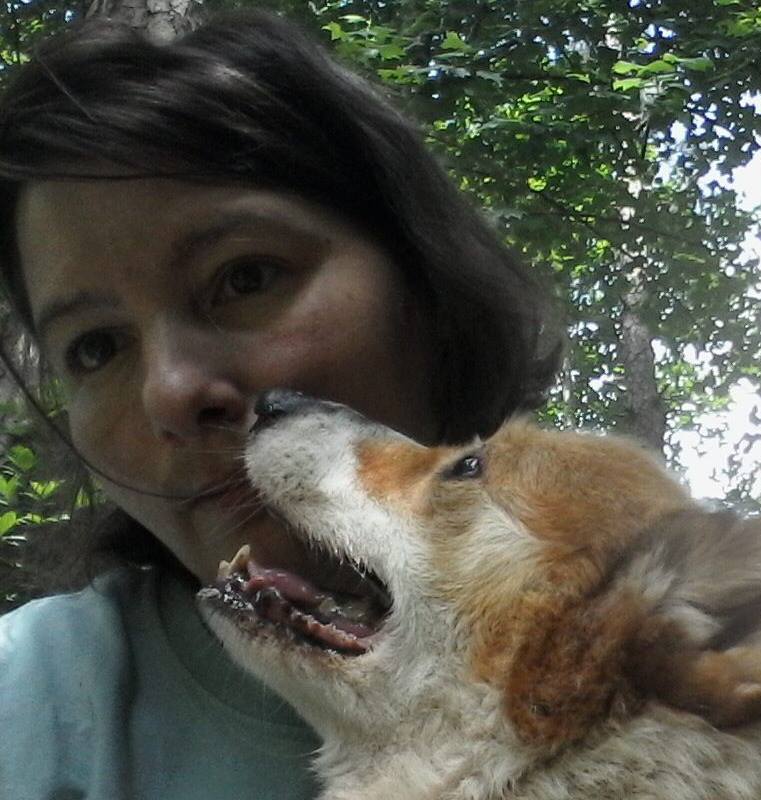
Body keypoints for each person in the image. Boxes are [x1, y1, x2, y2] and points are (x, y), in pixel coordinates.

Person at [0, 10, 561, 799]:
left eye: (246, 277)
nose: (170, 391)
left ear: (425, 284)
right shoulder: (28, 701)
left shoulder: (706, 646)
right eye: (95, 347)